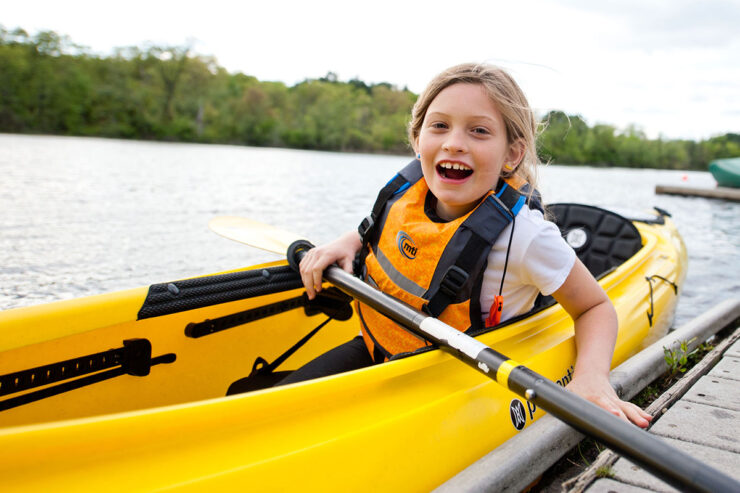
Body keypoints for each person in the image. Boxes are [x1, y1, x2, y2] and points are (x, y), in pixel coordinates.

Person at [283, 63, 652, 428]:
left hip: (456, 381)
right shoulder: (406, 194)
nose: (454, 143)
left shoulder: (526, 236)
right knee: (284, 408)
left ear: (512, 154)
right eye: (439, 126)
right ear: (417, 139)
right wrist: (350, 241)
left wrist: (591, 377)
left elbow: (594, 307)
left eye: (479, 131)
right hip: (378, 347)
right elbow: (391, 235)